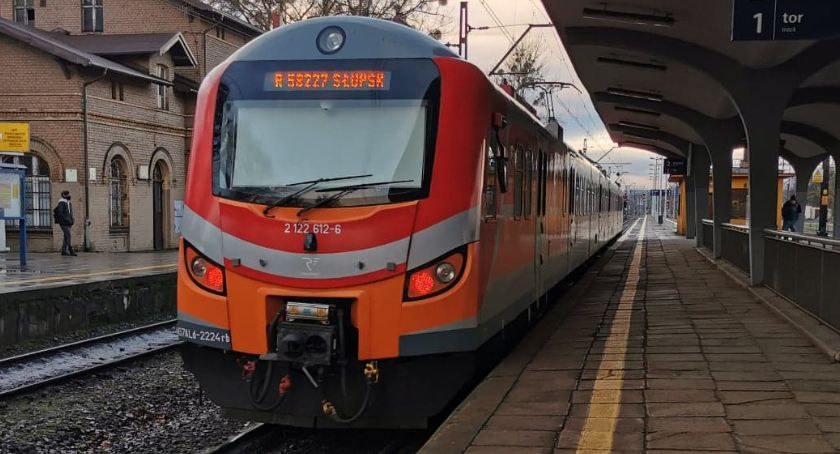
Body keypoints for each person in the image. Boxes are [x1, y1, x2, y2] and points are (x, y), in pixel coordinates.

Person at [54, 190, 76, 256]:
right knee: (68, 235)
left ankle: (63, 251)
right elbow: (60, 213)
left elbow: (70, 212)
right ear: (63, 195)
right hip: (64, 222)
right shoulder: (61, 203)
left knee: (66, 236)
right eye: (66, 194)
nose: (68, 195)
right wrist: (66, 219)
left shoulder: (69, 202)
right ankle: (70, 249)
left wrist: (72, 219)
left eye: (68, 194)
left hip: (69, 222)